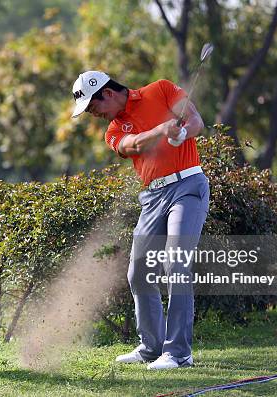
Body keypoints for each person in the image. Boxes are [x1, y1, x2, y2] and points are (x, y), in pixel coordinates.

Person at [70, 71, 210, 370]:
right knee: (139, 271)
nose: (93, 115)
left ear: (106, 93)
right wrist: (162, 130)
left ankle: (179, 353)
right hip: (153, 197)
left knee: (176, 262)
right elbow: (131, 146)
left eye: (93, 107)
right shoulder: (113, 130)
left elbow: (196, 119)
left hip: (187, 187)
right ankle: (151, 347)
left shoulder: (160, 89)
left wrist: (184, 132)